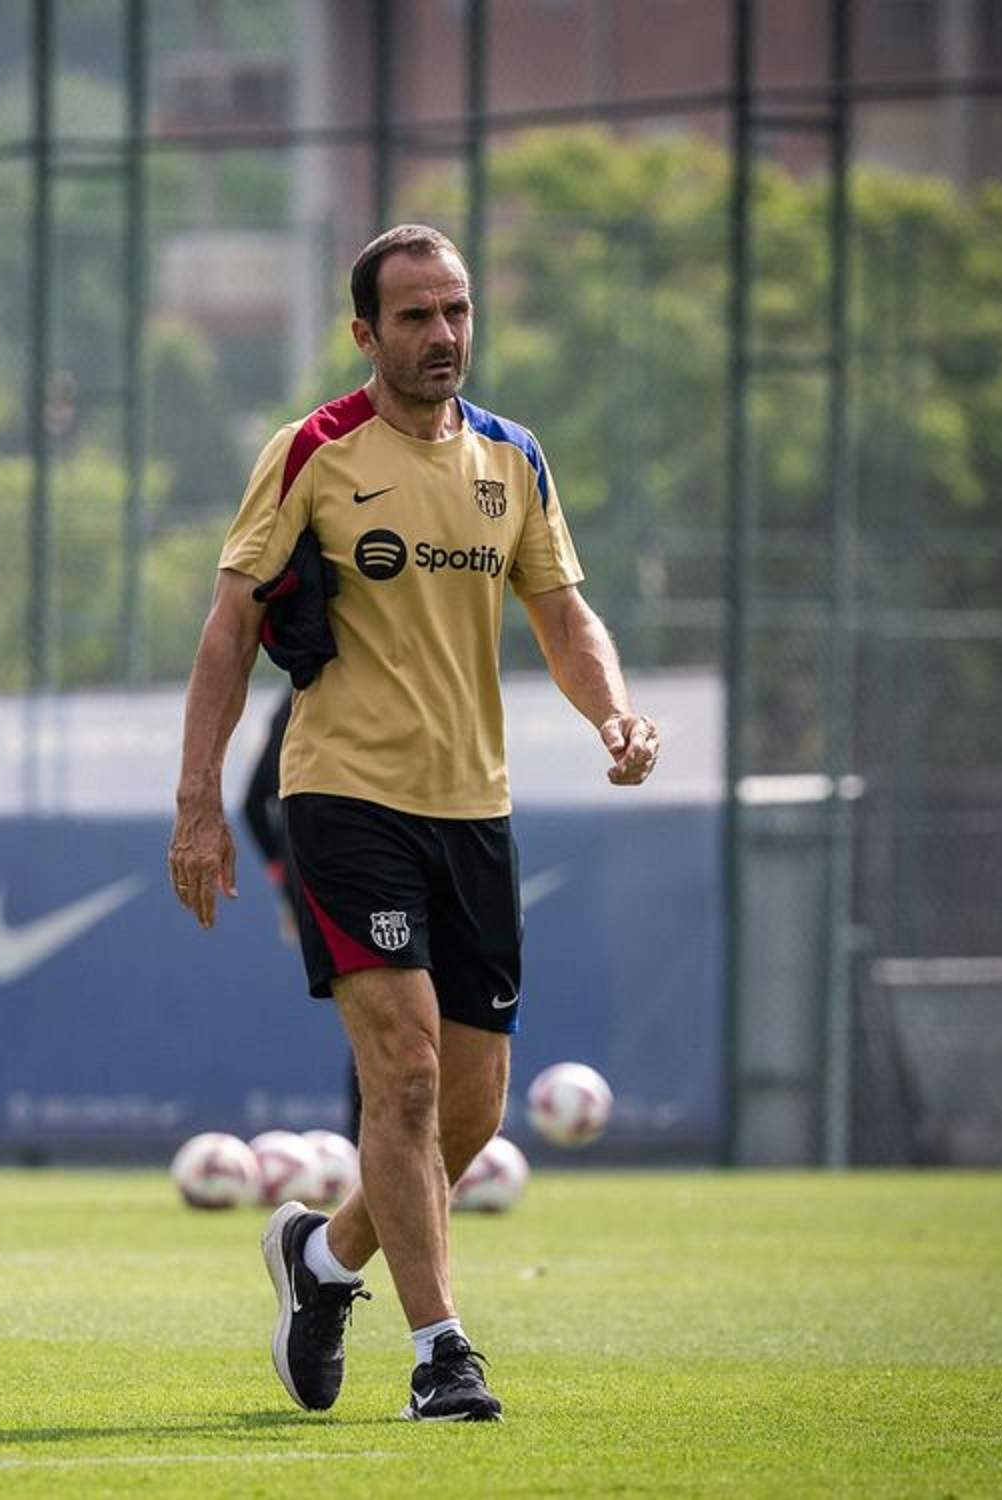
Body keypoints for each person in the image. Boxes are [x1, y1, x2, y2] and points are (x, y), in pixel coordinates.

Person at [167, 224, 659, 1423]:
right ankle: (445, 1354)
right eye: (415, 317)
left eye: (457, 312)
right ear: (364, 334)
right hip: (343, 796)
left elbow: (563, 615)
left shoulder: (513, 459)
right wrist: (198, 804)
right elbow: (230, 629)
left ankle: (323, 1261)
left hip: (472, 810)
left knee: (472, 1111)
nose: (442, 336)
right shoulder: (313, 454)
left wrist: (615, 714)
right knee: (402, 1079)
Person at [241, 689, 363, 1143]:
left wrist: (287, 887)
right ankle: (373, 1158)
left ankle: (371, 1154)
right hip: (349, 869)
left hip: (318, 876)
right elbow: (255, 802)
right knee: (387, 1022)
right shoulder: (305, 698)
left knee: (377, 1023)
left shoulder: (298, 695)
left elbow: (254, 806)